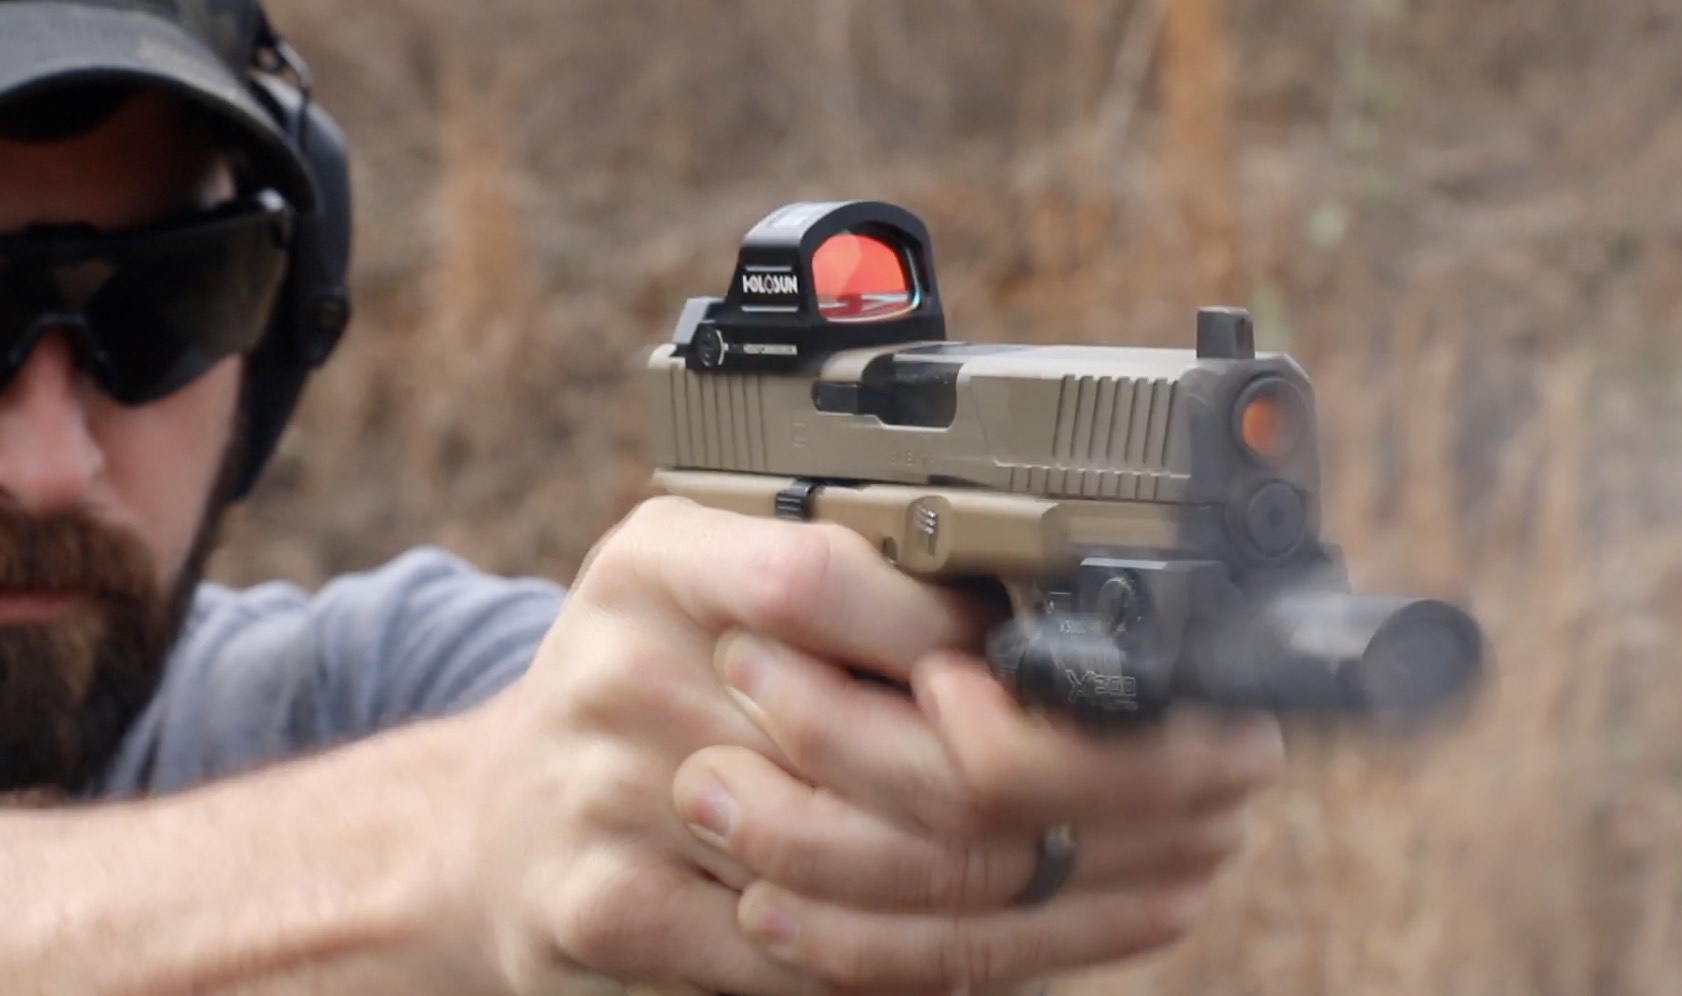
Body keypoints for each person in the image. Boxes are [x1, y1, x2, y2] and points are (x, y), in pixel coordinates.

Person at [0, 2, 1286, 993]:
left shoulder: (375, 692)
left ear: (285, 326)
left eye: (175, 293)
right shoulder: (431, 787)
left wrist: (852, 799)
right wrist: (452, 841)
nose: (52, 463)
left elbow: (597, 743)